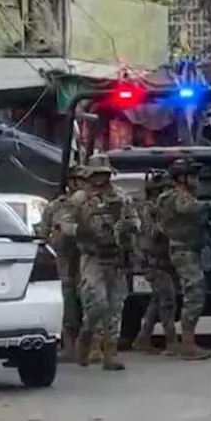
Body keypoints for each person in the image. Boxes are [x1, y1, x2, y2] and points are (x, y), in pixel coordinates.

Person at [61, 155, 137, 371]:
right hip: (92, 256)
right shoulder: (79, 199)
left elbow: (135, 219)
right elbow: (63, 225)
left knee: (115, 307)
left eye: (104, 173)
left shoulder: (121, 197)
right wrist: (82, 231)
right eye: (97, 174)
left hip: (116, 257)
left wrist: (129, 227)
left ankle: (110, 353)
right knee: (97, 302)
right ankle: (87, 335)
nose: (101, 178)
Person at [157, 158, 211, 360]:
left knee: (194, 292)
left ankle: (186, 341)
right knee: (194, 292)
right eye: (192, 176)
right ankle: (187, 342)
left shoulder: (183, 195)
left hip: (190, 249)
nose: (196, 181)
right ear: (181, 178)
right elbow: (188, 209)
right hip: (183, 250)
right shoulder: (176, 196)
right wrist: (210, 206)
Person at [37, 166, 86, 362]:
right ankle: (69, 345)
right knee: (67, 303)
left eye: (82, 180)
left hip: (86, 256)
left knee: (88, 302)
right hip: (63, 259)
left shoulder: (90, 203)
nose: (78, 184)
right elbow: (44, 232)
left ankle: (88, 345)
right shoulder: (56, 206)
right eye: (75, 180)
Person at [133, 170, 178, 356]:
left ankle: (143, 338)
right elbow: (150, 234)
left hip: (162, 260)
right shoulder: (147, 210)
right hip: (153, 261)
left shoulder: (158, 209)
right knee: (167, 300)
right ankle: (172, 341)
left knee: (157, 300)